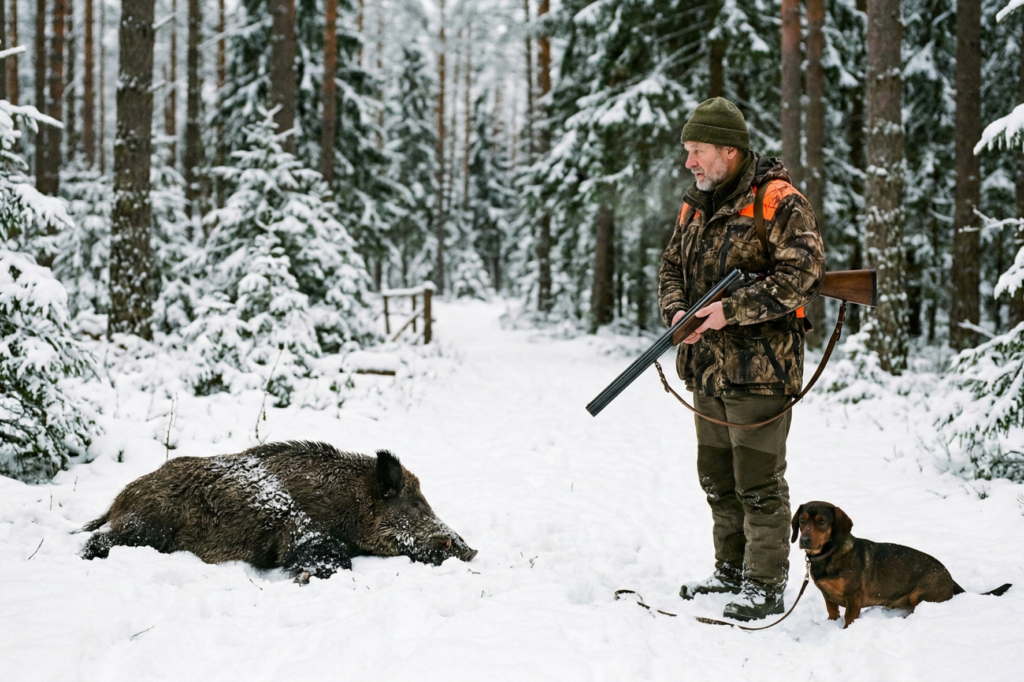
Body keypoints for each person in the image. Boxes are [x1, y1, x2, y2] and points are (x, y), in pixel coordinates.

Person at [658, 97, 825, 621]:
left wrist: (729, 311)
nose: (689, 161)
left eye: (698, 150)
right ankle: (729, 571)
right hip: (707, 370)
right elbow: (670, 267)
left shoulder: (779, 201)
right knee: (717, 479)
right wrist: (679, 311)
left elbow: (804, 276)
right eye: (688, 150)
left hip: (760, 373)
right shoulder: (695, 204)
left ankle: (763, 585)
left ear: (729, 150)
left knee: (758, 483)